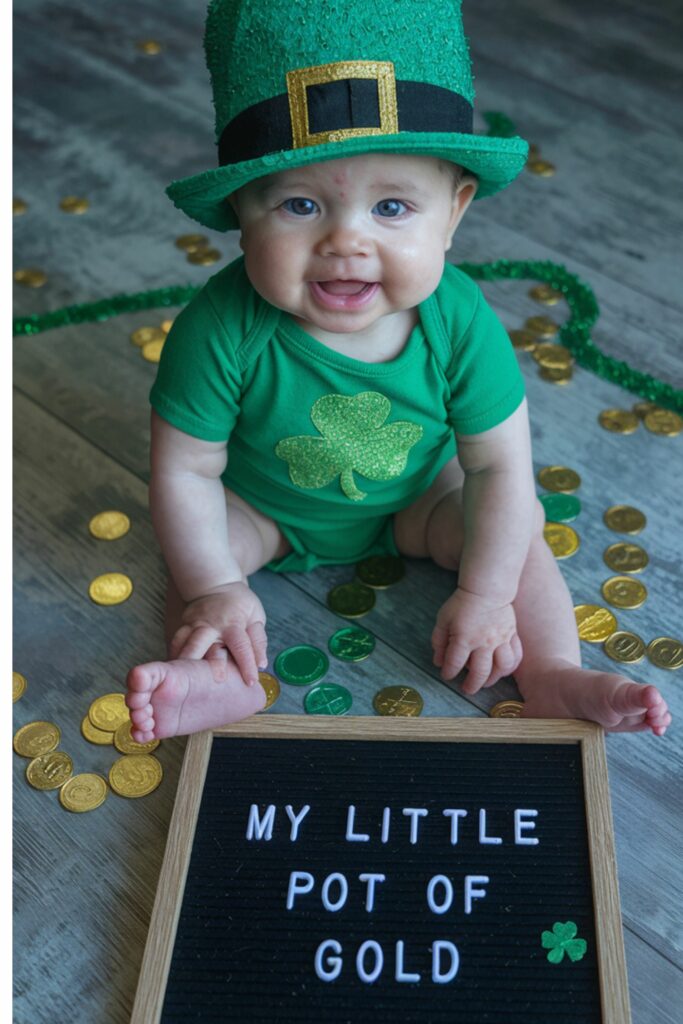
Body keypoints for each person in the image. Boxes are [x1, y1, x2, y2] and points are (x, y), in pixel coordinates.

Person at [125, 0, 670, 741]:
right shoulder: (220, 328)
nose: (345, 241)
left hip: (423, 497)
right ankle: (220, 677)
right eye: (298, 204)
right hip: (267, 511)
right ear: (241, 215)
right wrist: (217, 586)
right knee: (195, 554)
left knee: (517, 532)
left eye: (390, 206)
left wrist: (484, 593)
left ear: (452, 212)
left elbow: (500, 470)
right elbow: (185, 473)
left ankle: (549, 671)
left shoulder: (459, 320)